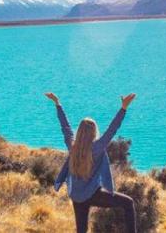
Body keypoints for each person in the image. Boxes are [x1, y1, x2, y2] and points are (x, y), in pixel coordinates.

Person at [45, 92, 137, 233]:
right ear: (93, 133)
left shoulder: (72, 146)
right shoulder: (97, 148)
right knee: (128, 203)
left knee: (81, 230)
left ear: (80, 132)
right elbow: (112, 129)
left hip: (76, 195)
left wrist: (58, 103)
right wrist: (123, 108)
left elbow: (66, 128)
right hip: (93, 194)